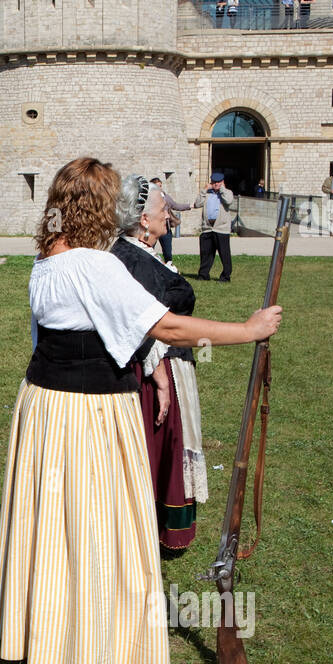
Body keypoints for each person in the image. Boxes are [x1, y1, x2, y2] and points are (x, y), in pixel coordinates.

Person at [0, 157, 282, 664]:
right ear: (99, 206)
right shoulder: (95, 265)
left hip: (44, 405)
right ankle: (91, 651)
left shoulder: (45, 260)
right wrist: (247, 330)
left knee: (56, 525)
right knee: (100, 523)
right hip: (91, 411)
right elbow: (167, 327)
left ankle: (48, 634)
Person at [110, 175, 208, 551]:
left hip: (170, 363)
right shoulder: (132, 258)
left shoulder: (142, 254)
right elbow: (146, 325)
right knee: (157, 450)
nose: (169, 217)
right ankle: (148, 532)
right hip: (157, 367)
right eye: (164, 211)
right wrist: (161, 375)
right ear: (143, 220)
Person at [196, 172, 236, 282]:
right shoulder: (207, 193)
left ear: (222, 182)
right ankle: (203, 275)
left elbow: (229, 201)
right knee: (206, 253)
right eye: (214, 182)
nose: (216, 184)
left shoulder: (227, 192)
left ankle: (225, 276)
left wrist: (222, 189)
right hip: (208, 228)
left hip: (221, 228)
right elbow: (197, 203)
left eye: (218, 182)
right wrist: (204, 190)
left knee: (224, 254)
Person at [150, 176, 191, 265]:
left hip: (165, 228)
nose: (159, 188)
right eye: (157, 186)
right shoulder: (149, 198)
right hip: (154, 228)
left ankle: (169, 268)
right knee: (149, 249)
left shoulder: (165, 197)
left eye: (160, 186)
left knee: (168, 252)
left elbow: (176, 205)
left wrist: (190, 206)